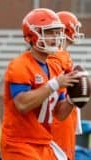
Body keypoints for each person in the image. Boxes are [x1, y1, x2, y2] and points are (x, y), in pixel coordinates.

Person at [0, 8, 80, 160]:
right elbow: (22, 104)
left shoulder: (55, 67)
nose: (56, 38)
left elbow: (60, 114)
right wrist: (54, 84)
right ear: (32, 35)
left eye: (58, 33)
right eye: (50, 32)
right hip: (19, 143)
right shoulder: (19, 65)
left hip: (44, 142)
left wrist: (73, 99)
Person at [49, 11, 85, 160]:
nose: (77, 32)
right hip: (59, 121)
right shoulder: (57, 57)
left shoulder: (63, 56)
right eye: (74, 27)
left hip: (64, 118)